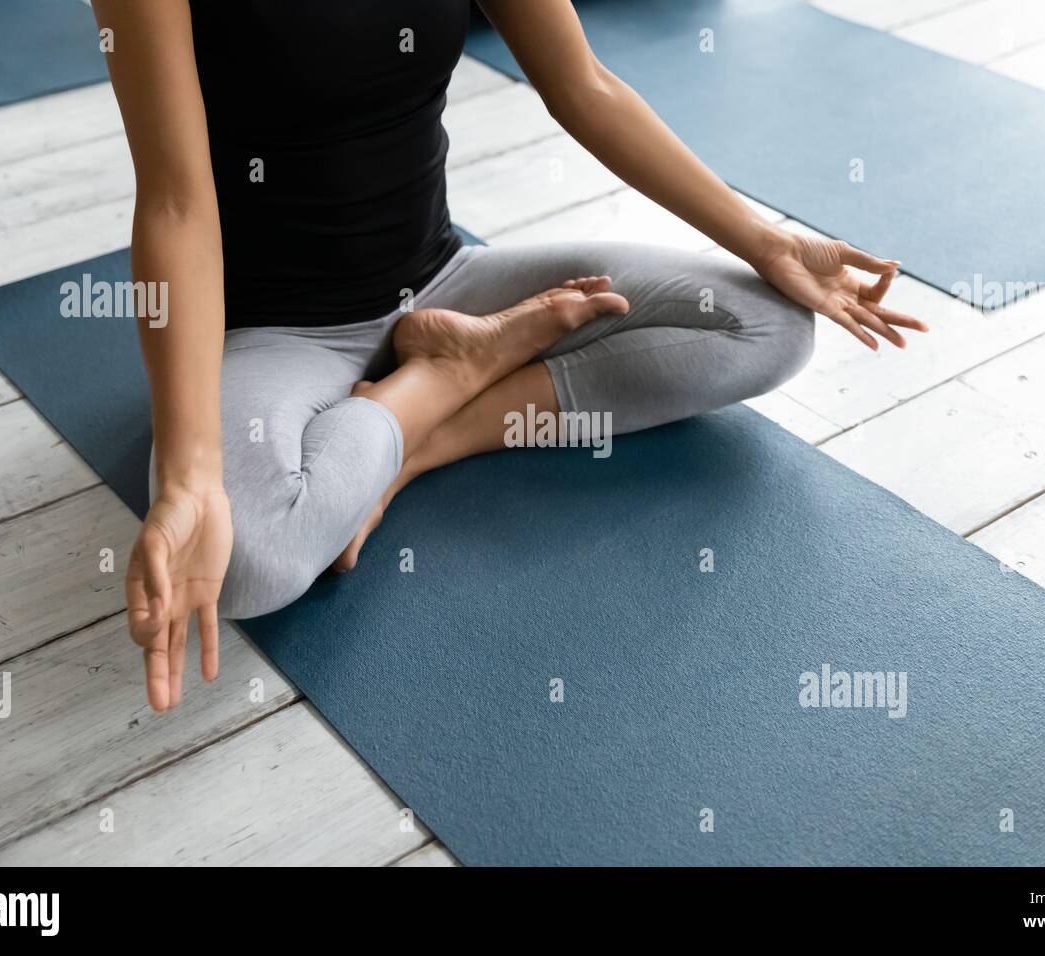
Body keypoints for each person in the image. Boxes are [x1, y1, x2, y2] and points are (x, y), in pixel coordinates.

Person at [92, 0, 925, 712]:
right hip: (278, 336)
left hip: (446, 280)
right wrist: (191, 475)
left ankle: (416, 434)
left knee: (764, 324)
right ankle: (447, 373)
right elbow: (174, 203)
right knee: (247, 565)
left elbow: (584, 87)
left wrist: (767, 242)